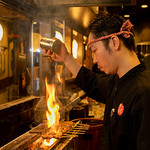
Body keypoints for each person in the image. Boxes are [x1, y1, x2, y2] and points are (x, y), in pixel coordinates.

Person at [43, 14, 150, 150]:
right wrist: (65, 57)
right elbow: (91, 81)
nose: (94, 59)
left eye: (95, 51)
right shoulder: (117, 81)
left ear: (114, 42)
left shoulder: (144, 90)